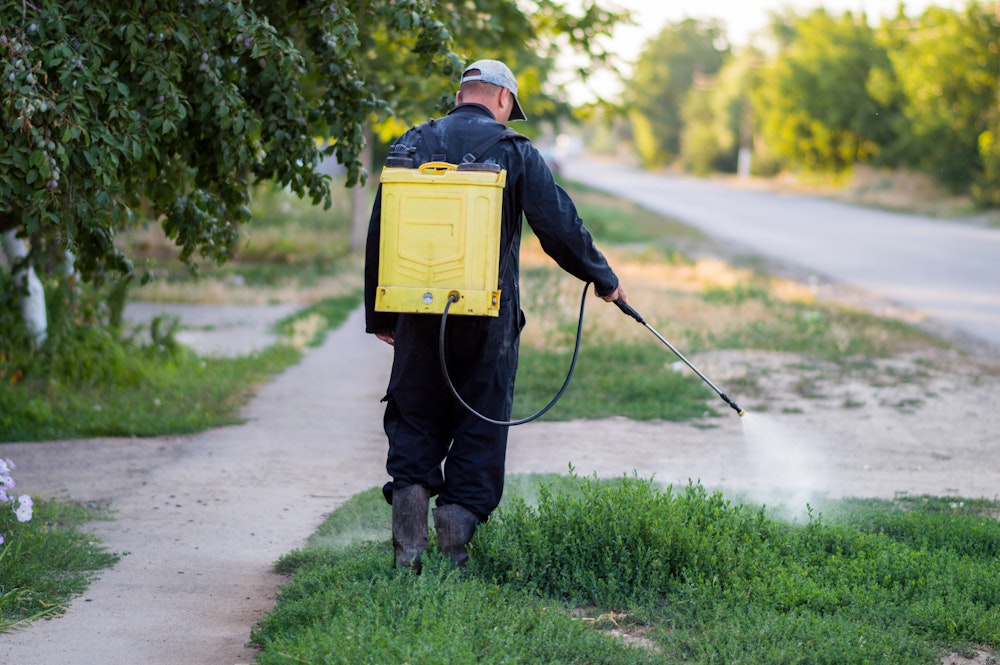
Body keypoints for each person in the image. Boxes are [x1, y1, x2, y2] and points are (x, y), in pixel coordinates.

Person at [364, 59, 627, 570]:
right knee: (481, 425)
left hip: (418, 312)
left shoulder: (410, 144)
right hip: (489, 320)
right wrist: (602, 277)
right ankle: (454, 544)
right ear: (504, 99)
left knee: (415, 418)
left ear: (462, 94)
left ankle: (408, 552)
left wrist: (381, 315)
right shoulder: (514, 150)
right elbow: (559, 227)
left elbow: (381, 230)